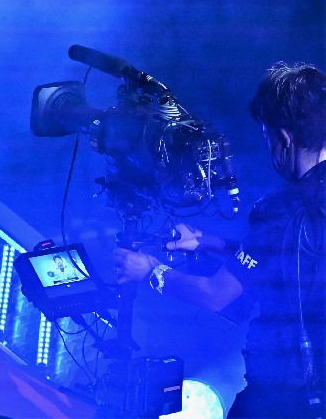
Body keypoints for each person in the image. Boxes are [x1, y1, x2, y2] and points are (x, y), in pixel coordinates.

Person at [112, 61, 326, 418]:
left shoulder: (281, 210)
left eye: (268, 137)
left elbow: (217, 295)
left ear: (284, 138)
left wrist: (150, 271)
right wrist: (211, 243)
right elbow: (297, 260)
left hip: (283, 397)